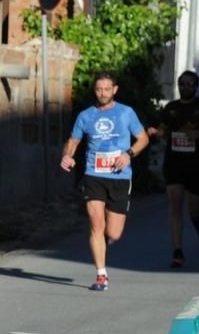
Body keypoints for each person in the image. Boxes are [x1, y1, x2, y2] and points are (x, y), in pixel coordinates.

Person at [60, 72, 149, 291]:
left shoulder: (126, 113)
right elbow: (73, 141)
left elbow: (143, 139)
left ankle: (108, 240)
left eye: (107, 89)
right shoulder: (86, 116)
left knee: (113, 233)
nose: (102, 93)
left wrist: (128, 154)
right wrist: (67, 155)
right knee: (96, 224)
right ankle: (101, 275)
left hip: (120, 176)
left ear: (115, 90)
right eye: (99, 89)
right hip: (94, 175)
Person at [148, 70, 199, 268]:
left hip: (197, 165)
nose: (186, 87)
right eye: (183, 84)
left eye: (190, 84)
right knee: (175, 204)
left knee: (194, 209)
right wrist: (157, 132)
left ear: (196, 87)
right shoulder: (171, 108)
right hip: (174, 163)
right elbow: (163, 129)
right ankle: (178, 251)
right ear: (178, 85)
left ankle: (198, 221)